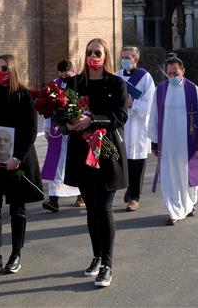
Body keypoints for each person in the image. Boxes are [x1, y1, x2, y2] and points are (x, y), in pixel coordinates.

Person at [64, 38, 128, 288]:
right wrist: (67, 123)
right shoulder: (75, 83)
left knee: (104, 208)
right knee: (91, 209)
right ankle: (97, 256)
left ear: (105, 56)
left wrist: (93, 121)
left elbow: (120, 117)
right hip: (81, 153)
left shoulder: (116, 83)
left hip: (105, 153)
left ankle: (108, 264)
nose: (93, 56)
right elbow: (63, 113)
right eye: (89, 52)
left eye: (97, 52)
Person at [0, 54, 43, 278]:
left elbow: (31, 131)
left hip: (17, 162)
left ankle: (16, 254)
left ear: (13, 70)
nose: (0, 71)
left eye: (5, 68)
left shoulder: (24, 96)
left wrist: (18, 157)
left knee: (17, 208)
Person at [148, 56, 198, 226]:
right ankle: (174, 210)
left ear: (183, 71)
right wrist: (155, 143)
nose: (172, 77)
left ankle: (190, 203)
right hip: (168, 145)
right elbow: (154, 117)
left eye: (175, 73)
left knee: (190, 177)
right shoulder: (161, 90)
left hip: (189, 144)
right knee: (170, 178)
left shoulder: (193, 90)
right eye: (169, 74)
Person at [115, 46, 156, 212]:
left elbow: (151, 102)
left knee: (137, 161)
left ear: (135, 60)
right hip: (121, 124)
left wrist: (133, 104)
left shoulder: (145, 78)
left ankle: (135, 197)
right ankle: (129, 187)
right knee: (122, 160)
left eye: (128, 57)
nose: (125, 60)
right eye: (123, 57)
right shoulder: (116, 76)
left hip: (138, 126)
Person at [41, 59, 84, 213]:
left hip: (77, 128)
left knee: (77, 162)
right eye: (62, 76)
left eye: (67, 75)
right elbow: (47, 108)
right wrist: (46, 128)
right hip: (57, 129)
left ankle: (81, 195)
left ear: (73, 71)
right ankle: (53, 200)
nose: (64, 78)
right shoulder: (53, 84)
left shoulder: (81, 82)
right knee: (55, 164)